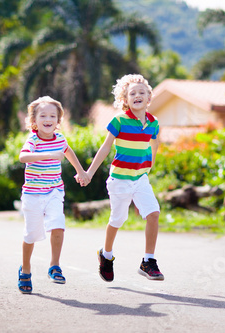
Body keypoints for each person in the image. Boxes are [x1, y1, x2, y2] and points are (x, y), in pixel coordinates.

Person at [84, 74, 164, 282]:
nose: (137, 95)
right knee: (118, 219)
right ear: (125, 100)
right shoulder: (119, 120)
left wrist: (150, 163)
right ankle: (106, 255)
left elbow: (154, 143)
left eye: (142, 92)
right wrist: (89, 172)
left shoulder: (153, 123)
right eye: (132, 93)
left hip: (140, 178)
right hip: (120, 178)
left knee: (153, 213)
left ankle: (148, 261)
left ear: (149, 97)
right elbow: (105, 147)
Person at [17, 96, 90, 294]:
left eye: (52, 116)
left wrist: (81, 171)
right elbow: (23, 157)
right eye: (43, 115)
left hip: (54, 191)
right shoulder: (32, 139)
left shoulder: (60, 139)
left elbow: (68, 152)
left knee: (58, 224)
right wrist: (48, 155)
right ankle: (25, 270)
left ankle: (54, 266)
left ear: (58, 121)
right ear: (34, 120)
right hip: (32, 195)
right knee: (31, 234)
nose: (48, 119)